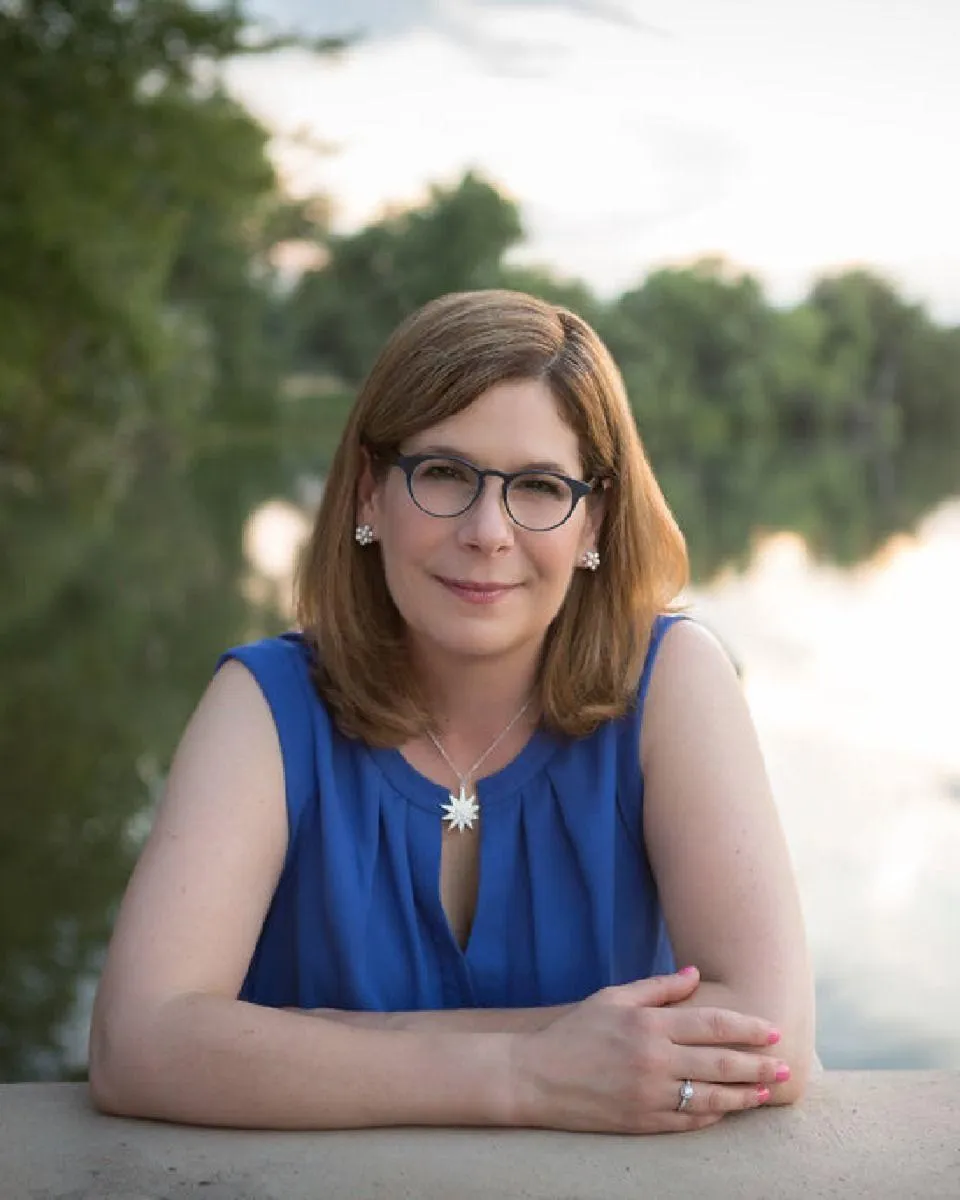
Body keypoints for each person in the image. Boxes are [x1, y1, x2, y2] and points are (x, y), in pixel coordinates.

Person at [88, 289, 815, 1134]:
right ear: (369, 491)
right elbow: (138, 1041)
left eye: (540, 487)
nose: (487, 531)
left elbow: (772, 1032)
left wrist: (302, 1048)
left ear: (595, 521)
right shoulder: (263, 705)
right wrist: (522, 1074)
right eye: (443, 473)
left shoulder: (676, 680)